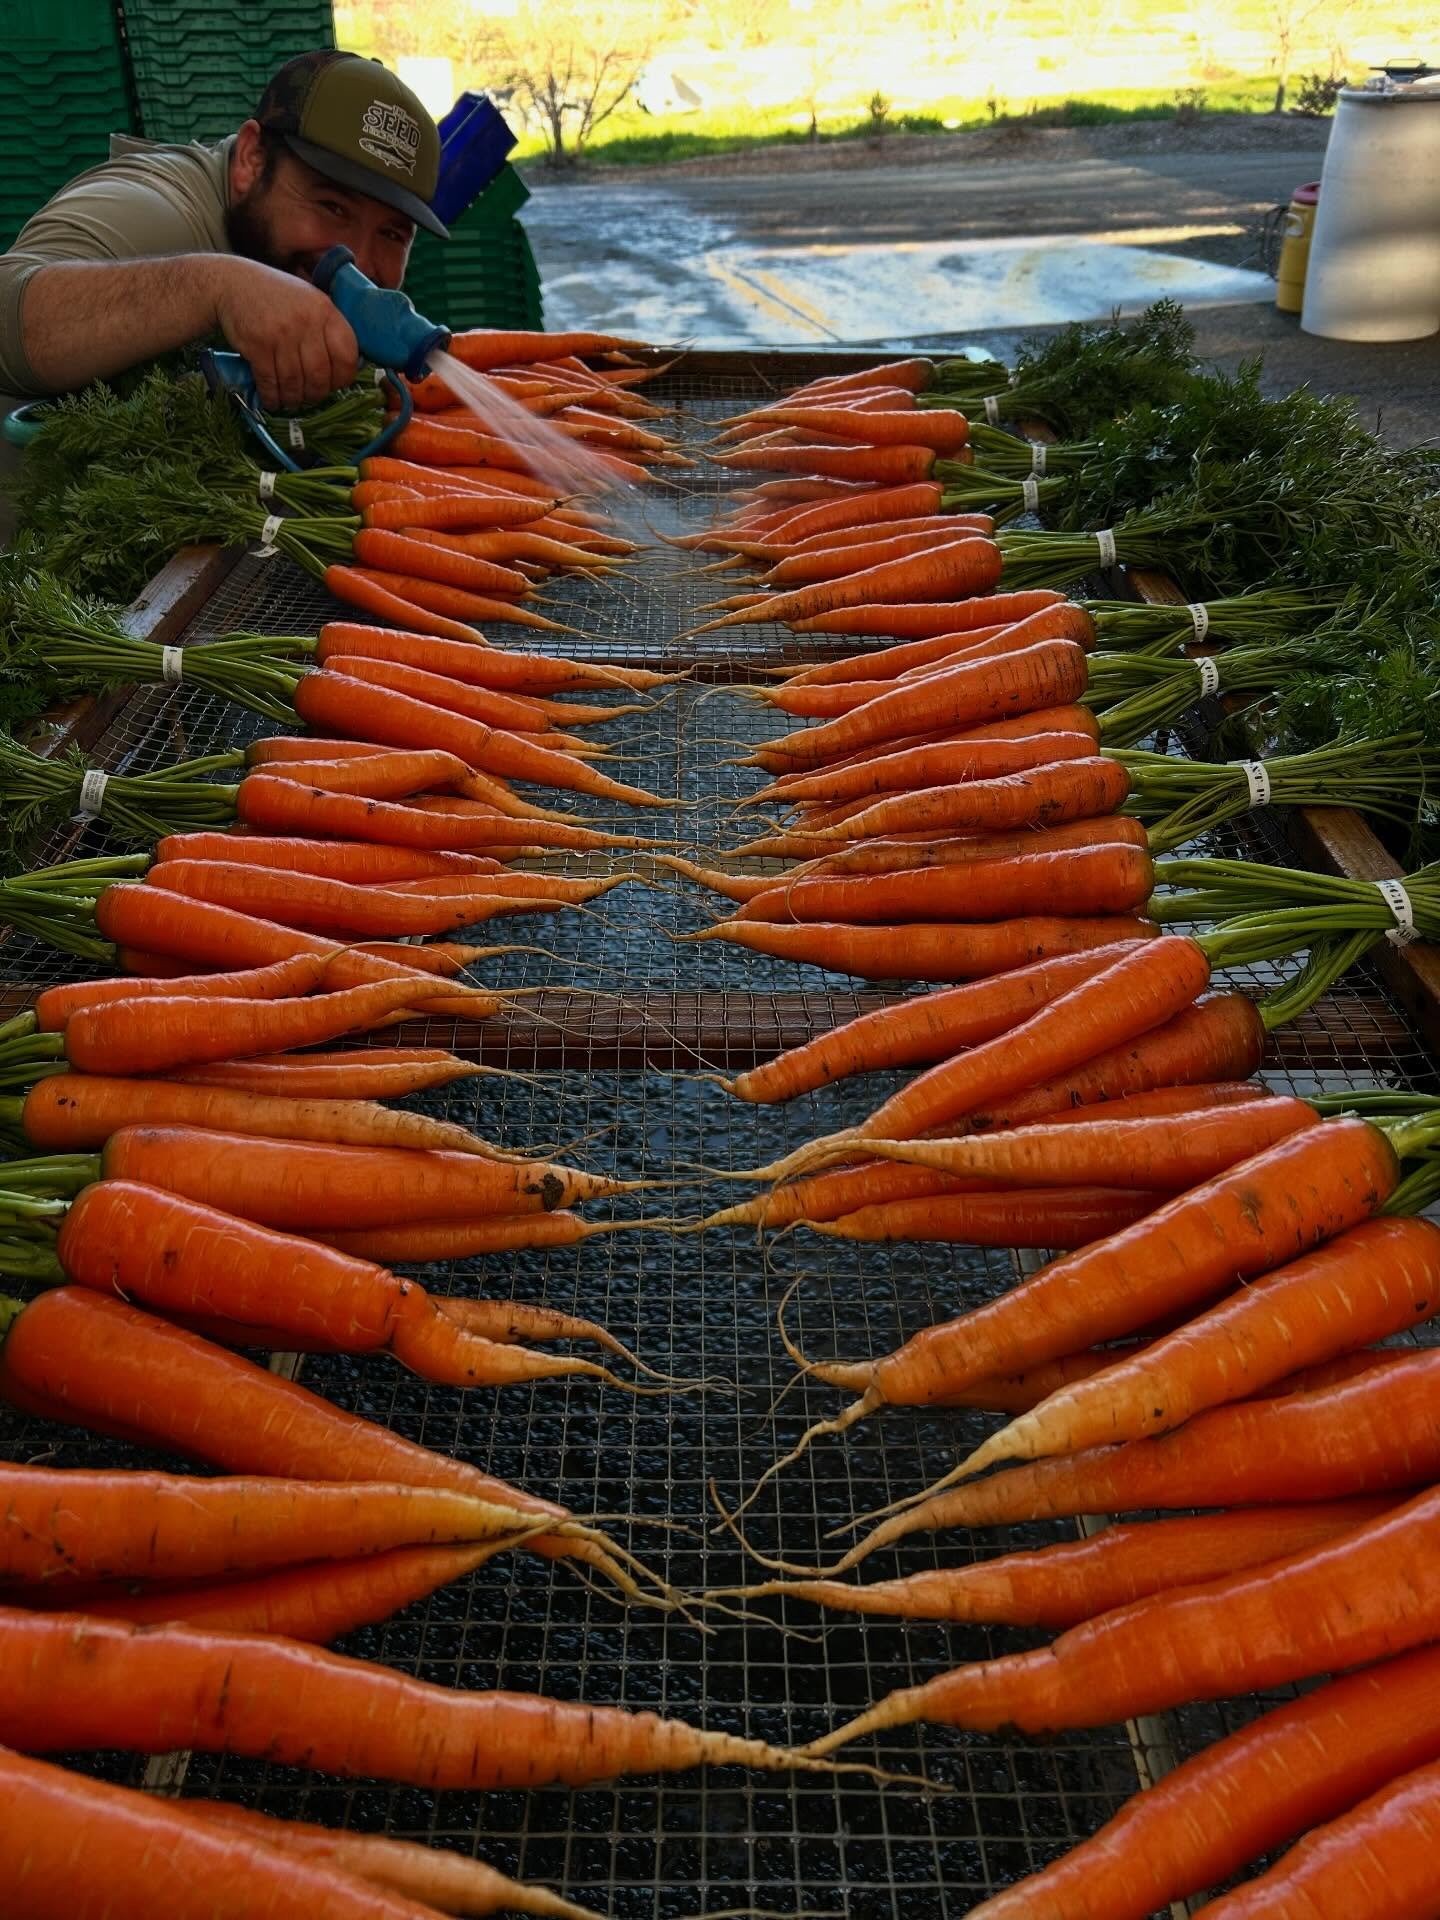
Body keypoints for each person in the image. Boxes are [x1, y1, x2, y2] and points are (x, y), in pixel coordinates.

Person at [0, 49, 448, 417]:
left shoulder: (293, 255)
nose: (361, 264)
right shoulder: (155, 211)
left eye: (392, 234)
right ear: (252, 160)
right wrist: (217, 287)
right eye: (331, 207)